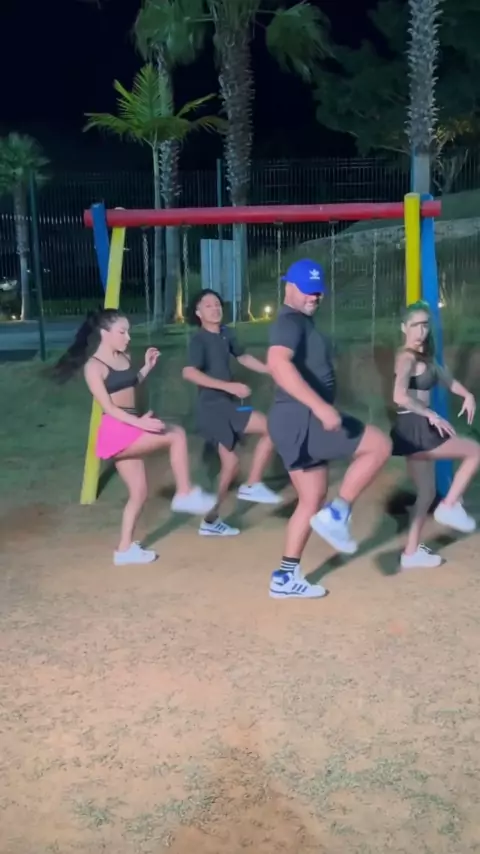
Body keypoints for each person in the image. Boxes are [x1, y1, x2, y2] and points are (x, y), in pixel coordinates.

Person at [267, 259, 392, 599]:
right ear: (289, 287)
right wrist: (321, 406)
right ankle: (339, 512)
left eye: (318, 291)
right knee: (378, 445)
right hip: (302, 419)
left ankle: (285, 577)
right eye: (308, 290)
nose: (314, 296)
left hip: (294, 421)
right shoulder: (289, 322)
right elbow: (277, 363)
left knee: (311, 499)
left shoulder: (301, 322)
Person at [51, 309, 217, 565]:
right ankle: (184, 493)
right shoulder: (94, 367)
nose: (128, 337)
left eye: (128, 331)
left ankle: (124, 550)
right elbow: (109, 407)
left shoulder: (124, 356)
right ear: (105, 333)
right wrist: (139, 423)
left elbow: (128, 384)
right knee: (176, 434)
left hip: (130, 425)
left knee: (139, 493)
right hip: (116, 431)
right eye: (122, 332)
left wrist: (146, 368)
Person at [182, 289, 281, 537]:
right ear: (198, 313)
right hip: (212, 408)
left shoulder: (226, 333)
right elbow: (189, 372)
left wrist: (269, 370)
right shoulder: (199, 340)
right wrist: (229, 387)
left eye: (217, 304)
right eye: (208, 305)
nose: (215, 308)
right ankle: (250, 486)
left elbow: (243, 356)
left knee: (233, 463)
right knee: (269, 429)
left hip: (226, 405)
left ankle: (212, 520)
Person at [391, 300, 478, 569]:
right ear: (404, 327)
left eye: (425, 325)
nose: (421, 331)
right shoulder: (406, 358)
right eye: (415, 325)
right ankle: (449, 505)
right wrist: (430, 414)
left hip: (417, 427)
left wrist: (467, 394)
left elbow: (447, 380)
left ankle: (410, 553)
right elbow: (399, 396)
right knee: (475, 451)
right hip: (415, 427)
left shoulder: (425, 358)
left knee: (426, 493)